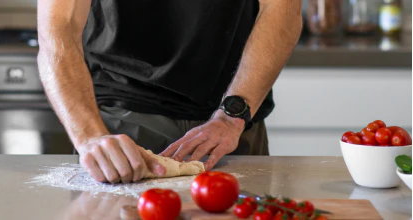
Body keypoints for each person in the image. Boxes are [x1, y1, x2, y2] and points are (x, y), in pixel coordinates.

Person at [37, 0, 303, 184]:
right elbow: (59, 30)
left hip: (232, 121)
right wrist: (90, 137)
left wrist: (233, 114)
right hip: (122, 122)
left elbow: (281, 9)